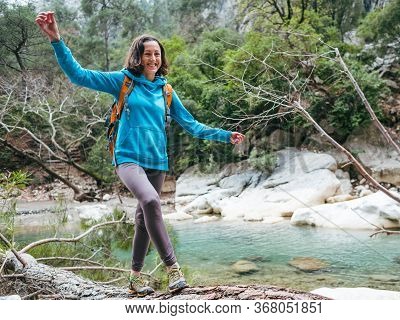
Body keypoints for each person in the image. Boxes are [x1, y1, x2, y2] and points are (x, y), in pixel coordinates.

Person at [35, 11, 245, 296]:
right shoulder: (122, 82)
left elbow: (192, 125)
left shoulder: (166, 91)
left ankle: (134, 278)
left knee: (143, 220)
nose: (153, 59)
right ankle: (173, 269)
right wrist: (56, 40)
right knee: (150, 200)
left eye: (157, 54)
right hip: (128, 158)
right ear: (137, 56)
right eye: (147, 54)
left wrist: (224, 135)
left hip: (157, 163)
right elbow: (78, 75)